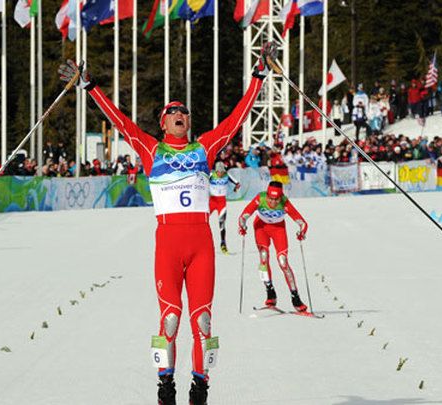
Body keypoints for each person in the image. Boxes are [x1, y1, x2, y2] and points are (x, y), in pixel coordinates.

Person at [58, 41, 275, 405]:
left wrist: (258, 75)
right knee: (170, 319)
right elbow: (119, 121)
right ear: (163, 122)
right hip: (169, 243)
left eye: (186, 112)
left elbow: (236, 119)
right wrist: (90, 86)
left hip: (201, 242)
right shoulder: (150, 149)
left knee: (203, 323)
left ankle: (201, 388)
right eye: (174, 112)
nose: (181, 115)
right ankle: (165, 388)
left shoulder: (204, 147)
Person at [237, 181, 309, 312]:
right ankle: (270, 291)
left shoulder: (285, 203)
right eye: (270, 198)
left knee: (283, 262)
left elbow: (302, 222)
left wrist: (302, 232)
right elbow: (244, 215)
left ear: (281, 197)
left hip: (278, 229)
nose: (273, 202)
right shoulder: (261, 198)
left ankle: (295, 296)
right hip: (261, 227)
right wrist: (242, 226)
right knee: (263, 258)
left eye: (276, 199)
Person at [209, 161, 240, 254]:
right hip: (212, 201)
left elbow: (237, 183)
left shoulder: (227, 175)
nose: (220, 174)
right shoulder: (211, 175)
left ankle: (223, 245)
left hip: (222, 202)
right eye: (218, 172)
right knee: (203, 221)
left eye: (222, 172)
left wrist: (235, 188)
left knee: (222, 224)